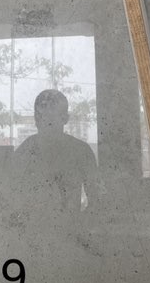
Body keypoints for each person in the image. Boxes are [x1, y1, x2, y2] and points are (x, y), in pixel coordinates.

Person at [14, 90, 98, 218]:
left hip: (69, 227)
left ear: (65, 118)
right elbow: (9, 198)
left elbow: (97, 200)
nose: (43, 121)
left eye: (50, 116)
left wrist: (80, 224)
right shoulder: (25, 151)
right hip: (33, 227)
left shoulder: (81, 151)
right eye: (39, 116)